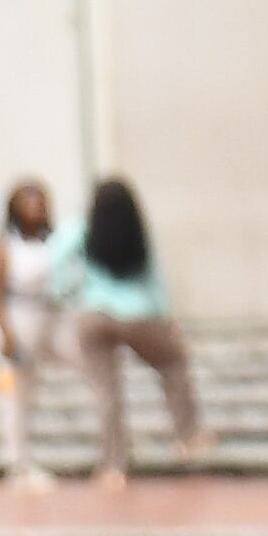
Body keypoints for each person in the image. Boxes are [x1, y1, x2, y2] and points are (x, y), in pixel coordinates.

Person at [54, 177, 204, 485]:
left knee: (106, 391)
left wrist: (68, 294)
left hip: (93, 313)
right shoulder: (137, 232)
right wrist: (166, 318)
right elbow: (154, 280)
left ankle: (113, 465)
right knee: (173, 363)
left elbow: (55, 259)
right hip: (138, 313)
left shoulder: (81, 230)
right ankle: (186, 435)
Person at [0, 176, 60, 487]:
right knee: (9, 393)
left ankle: (23, 457)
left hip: (41, 322)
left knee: (29, 395)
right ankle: (12, 461)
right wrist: (5, 332)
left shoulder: (50, 242)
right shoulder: (2, 247)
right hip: (12, 323)